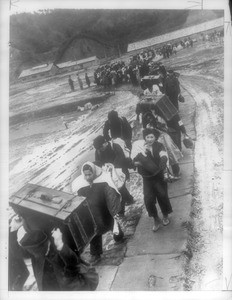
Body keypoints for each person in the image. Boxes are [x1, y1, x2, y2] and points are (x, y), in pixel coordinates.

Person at [71, 162, 124, 265]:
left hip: (104, 210)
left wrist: (114, 211)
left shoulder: (103, 181)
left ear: (94, 172)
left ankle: (119, 238)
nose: (87, 177)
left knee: (112, 225)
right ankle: (96, 254)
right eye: (85, 175)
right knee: (94, 232)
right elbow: (78, 200)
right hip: (91, 213)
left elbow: (111, 196)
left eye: (89, 174)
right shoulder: (80, 185)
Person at [16, 226, 99, 291]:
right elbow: (21, 253)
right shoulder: (37, 253)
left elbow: (73, 262)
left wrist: (60, 245)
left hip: (68, 288)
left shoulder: (58, 254)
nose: (32, 254)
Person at [131, 128, 173, 232]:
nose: (149, 139)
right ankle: (156, 218)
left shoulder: (159, 145)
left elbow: (163, 154)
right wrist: (136, 163)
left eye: (152, 137)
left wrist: (163, 159)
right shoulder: (139, 147)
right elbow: (133, 160)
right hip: (147, 177)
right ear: (144, 137)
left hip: (158, 175)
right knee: (148, 199)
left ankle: (165, 215)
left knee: (162, 195)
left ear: (155, 137)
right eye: (147, 137)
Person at [93, 135, 134, 210]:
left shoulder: (115, 146)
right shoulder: (98, 151)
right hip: (109, 172)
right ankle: (129, 199)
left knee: (120, 188)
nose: (100, 149)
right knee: (119, 188)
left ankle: (122, 209)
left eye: (101, 147)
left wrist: (113, 166)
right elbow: (98, 163)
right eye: (99, 148)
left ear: (105, 142)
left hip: (120, 171)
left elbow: (121, 158)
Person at [142, 111, 182, 178]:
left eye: (150, 118)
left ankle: (176, 172)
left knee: (171, 155)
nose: (149, 120)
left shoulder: (159, 121)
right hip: (157, 142)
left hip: (165, 139)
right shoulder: (148, 127)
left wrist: (158, 126)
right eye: (147, 119)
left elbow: (166, 129)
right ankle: (167, 174)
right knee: (162, 158)